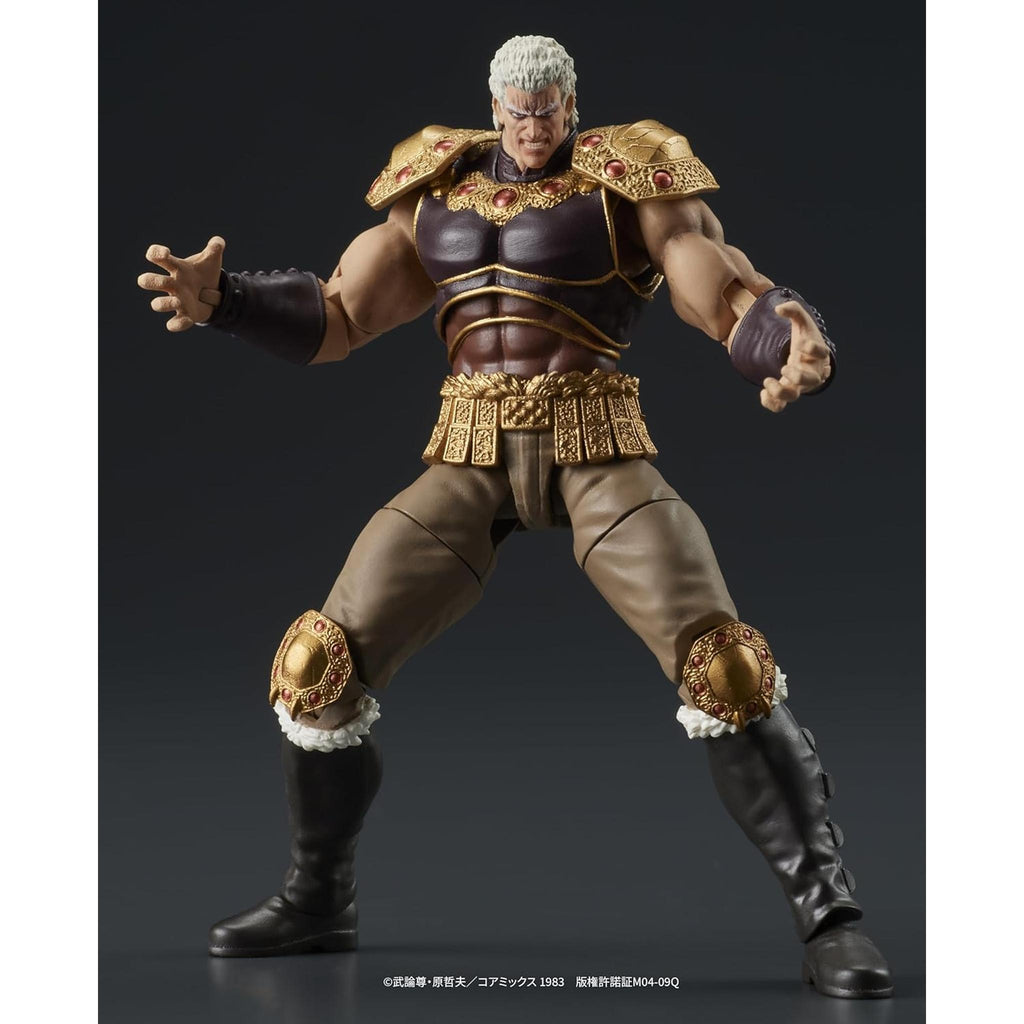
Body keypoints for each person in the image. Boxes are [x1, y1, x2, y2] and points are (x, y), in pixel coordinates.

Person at [137, 34, 892, 999]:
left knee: (725, 665)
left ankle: (830, 915)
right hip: (469, 448)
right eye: (520, 111)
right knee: (315, 663)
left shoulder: (628, 177)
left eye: (550, 110)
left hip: (594, 443)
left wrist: (781, 336)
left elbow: (715, 282)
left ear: (573, 105)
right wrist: (228, 302)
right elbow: (341, 315)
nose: (535, 127)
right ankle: (317, 898)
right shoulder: (436, 189)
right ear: (495, 107)